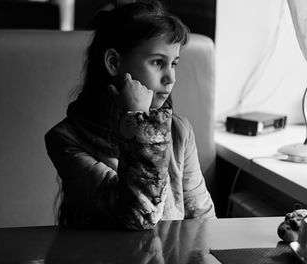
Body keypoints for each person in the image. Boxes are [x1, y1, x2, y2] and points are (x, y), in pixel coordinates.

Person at [45, 0, 216, 230]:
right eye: (157, 62)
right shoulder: (66, 139)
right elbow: (139, 216)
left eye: (173, 63)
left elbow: (203, 223)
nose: (170, 77)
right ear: (114, 63)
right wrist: (139, 119)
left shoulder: (180, 132)